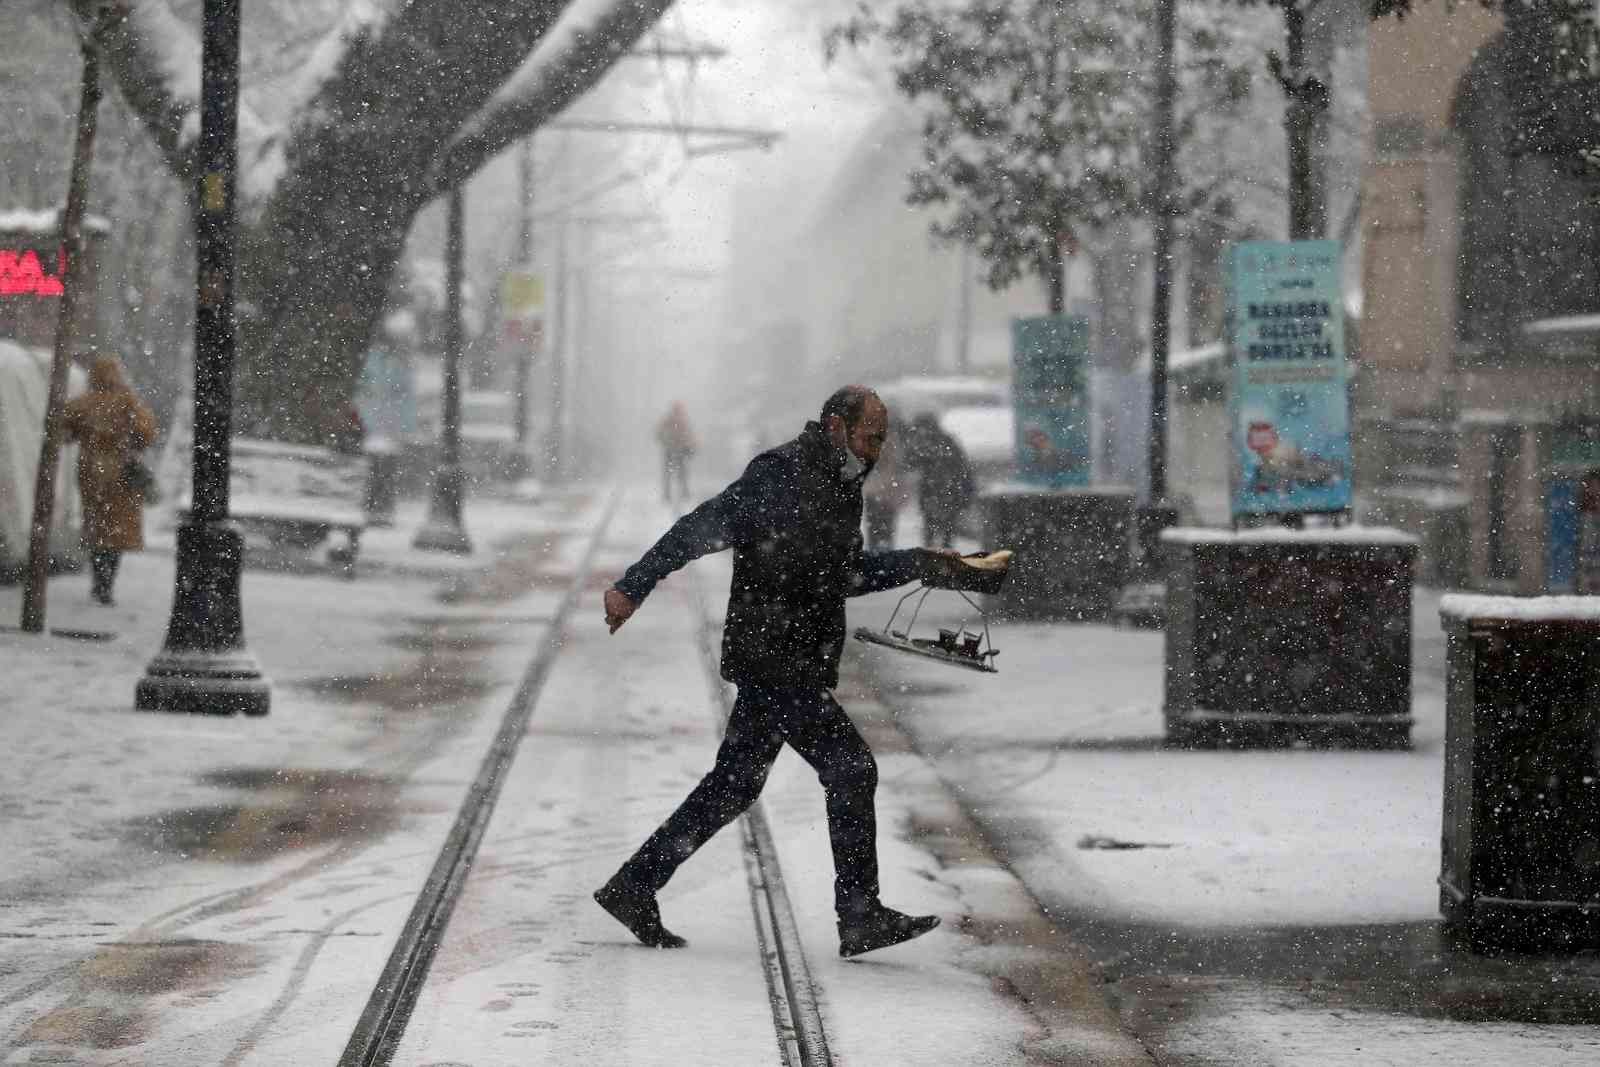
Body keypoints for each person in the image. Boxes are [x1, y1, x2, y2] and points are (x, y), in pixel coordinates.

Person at [596, 386, 1000, 958]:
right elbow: (710, 530)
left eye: (883, 437)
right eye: (870, 435)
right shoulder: (782, 476)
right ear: (837, 426)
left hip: (788, 652)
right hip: (777, 655)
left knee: (735, 784)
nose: (878, 448)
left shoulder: (839, 478)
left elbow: (836, 570)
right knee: (851, 768)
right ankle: (858, 914)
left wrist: (934, 566)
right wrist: (633, 585)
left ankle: (634, 886)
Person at [62, 354, 157, 606]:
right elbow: (146, 433)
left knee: (97, 530)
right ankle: (105, 585)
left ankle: (98, 582)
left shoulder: (84, 404)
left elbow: (62, 431)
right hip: (121, 477)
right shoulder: (127, 402)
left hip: (91, 474)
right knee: (117, 534)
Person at [904, 412, 976, 549]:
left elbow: (910, 463)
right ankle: (942, 560)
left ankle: (931, 560)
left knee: (932, 531)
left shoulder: (926, 443)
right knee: (946, 532)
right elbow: (963, 468)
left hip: (934, 492)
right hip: (948, 492)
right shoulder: (947, 441)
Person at [861, 418, 912, 550]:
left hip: (875, 490)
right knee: (886, 528)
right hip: (887, 491)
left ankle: (877, 556)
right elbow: (898, 466)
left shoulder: (870, 440)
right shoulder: (892, 442)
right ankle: (884, 556)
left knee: (874, 528)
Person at [655, 400, 697, 504]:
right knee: (671, 472)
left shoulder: (682, 421)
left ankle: (682, 493)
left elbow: (690, 435)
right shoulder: (669, 421)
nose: (678, 412)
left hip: (679, 449)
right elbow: (659, 433)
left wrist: (690, 446)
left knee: (680, 472)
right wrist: (666, 441)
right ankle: (670, 494)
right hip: (671, 449)